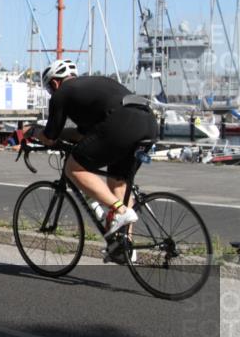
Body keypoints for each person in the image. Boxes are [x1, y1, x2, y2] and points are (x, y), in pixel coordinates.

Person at [27, 59, 157, 239]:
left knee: (73, 168)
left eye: (50, 88)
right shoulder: (90, 89)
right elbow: (82, 135)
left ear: (55, 82)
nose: (51, 93)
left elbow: (50, 137)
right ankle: (125, 245)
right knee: (118, 183)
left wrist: (32, 131)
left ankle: (120, 211)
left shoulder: (62, 92)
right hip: (148, 121)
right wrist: (62, 136)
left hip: (122, 123)